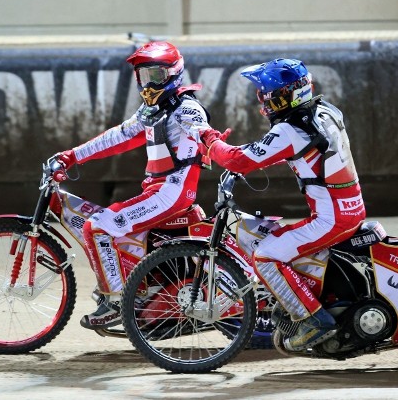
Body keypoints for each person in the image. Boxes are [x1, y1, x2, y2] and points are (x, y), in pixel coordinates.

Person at [200, 58, 366, 351]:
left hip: (331, 218)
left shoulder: (290, 130)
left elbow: (238, 159)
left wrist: (210, 141)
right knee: (278, 239)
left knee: (265, 254)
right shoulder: (323, 111)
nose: (265, 101)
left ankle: (313, 319)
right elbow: (297, 152)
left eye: (270, 95)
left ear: (290, 94)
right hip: (348, 207)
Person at [52, 41, 218, 329]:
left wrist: (214, 141)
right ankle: (140, 290)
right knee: (110, 226)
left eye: (155, 75)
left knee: (97, 226)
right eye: (143, 76)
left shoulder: (186, 108)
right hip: (160, 192)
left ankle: (116, 301)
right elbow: (119, 136)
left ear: (173, 74)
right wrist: (72, 155)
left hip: (170, 194)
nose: (148, 83)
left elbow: (202, 131)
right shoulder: (152, 109)